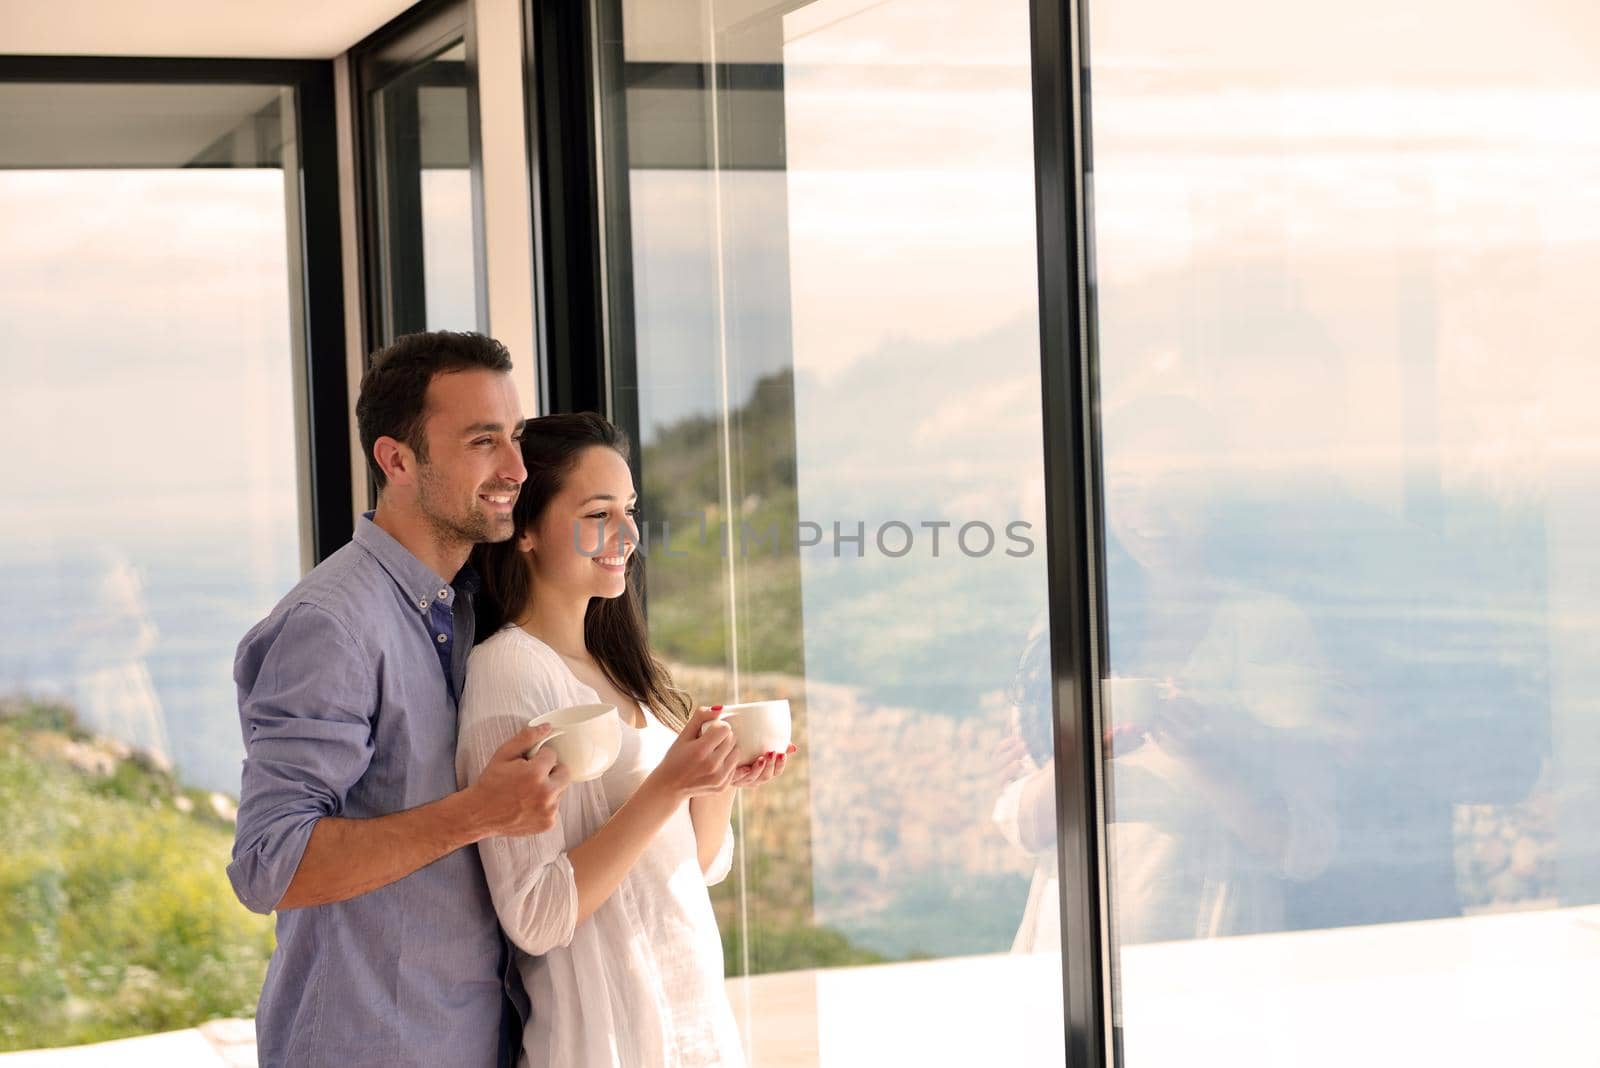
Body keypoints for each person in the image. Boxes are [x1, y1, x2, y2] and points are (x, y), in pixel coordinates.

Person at [228, 331, 572, 1068]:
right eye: (484, 441)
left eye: (513, 437)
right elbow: (269, 865)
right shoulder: (332, 625)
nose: (516, 468)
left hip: (475, 1037)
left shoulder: (475, 607)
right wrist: (480, 811)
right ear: (397, 460)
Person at [457, 412, 794, 1068]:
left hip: (693, 1032)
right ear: (525, 530)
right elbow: (537, 915)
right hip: (608, 1044)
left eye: (630, 509)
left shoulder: (620, 667)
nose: (628, 532)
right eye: (598, 512)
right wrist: (669, 785)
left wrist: (713, 778)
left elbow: (690, 867)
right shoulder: (509, 674)